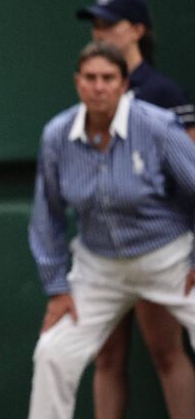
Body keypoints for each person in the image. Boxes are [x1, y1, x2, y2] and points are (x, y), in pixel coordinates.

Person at [27, 41, 195, 419]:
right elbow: (46, 214)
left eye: (108, 78)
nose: (99, 86)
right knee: (53, 352)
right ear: (77, 83)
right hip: (98, 268)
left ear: (124, 84)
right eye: (90, 78)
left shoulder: (157, 126)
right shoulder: (56, 135)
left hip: (170, 259)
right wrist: (57, 287)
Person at [76, 0, 195, 419]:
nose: (100, 32)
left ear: (138, 30)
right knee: (105, 359)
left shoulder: (163, 92)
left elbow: (189, 176)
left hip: (155, 245)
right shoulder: (92, 92)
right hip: (101, 250)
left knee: (166, 353)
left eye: (111, 23)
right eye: (97, 24)